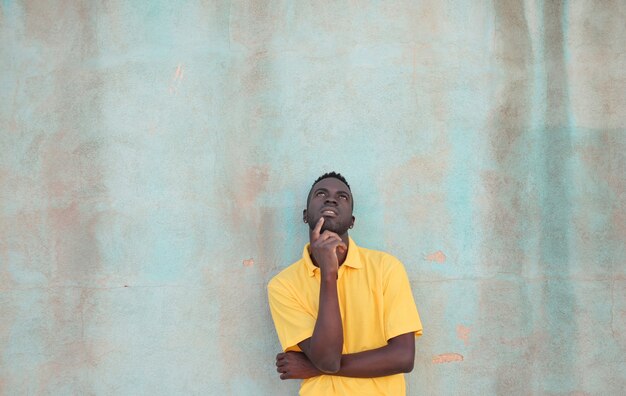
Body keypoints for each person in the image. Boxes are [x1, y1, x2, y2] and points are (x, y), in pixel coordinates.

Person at [268, 172, 423, 395]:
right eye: (321, 194)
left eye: (342, 197)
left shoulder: (386, 268)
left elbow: (403, 357)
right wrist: (328, 274)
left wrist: (314, 367)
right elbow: (328, 361)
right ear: (305, 215)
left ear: (352, 221)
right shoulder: (283, 286)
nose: (331, 199)